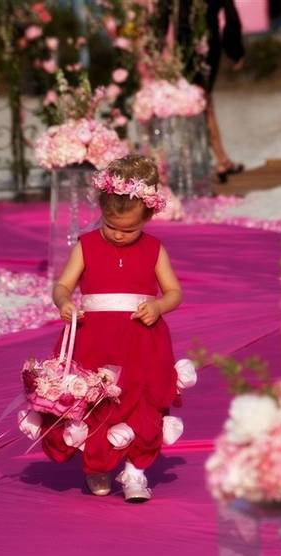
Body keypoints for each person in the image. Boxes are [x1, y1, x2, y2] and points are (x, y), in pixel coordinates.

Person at [41, 155, 188, 502]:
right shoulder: (87, 245)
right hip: (94, 338)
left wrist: (158, 305)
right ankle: (97, 466)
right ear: (102, 212)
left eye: (129, 230)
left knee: (145, 402)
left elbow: (174, 292)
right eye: (111, 226)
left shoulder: (154, 248)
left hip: (141, 339)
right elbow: (62, 286)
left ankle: (136, 471)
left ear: (149, 217)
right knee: (94, 402)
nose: (119, 235)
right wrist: (64, 303)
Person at [162, 0, 246, 181]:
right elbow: (231, 16)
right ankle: (217, 160)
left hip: (183, 48)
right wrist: (235, 50)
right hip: (208, 44)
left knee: (197, 102)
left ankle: (214, 159)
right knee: (203, 101)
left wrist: (158, 49)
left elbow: (164, 15)